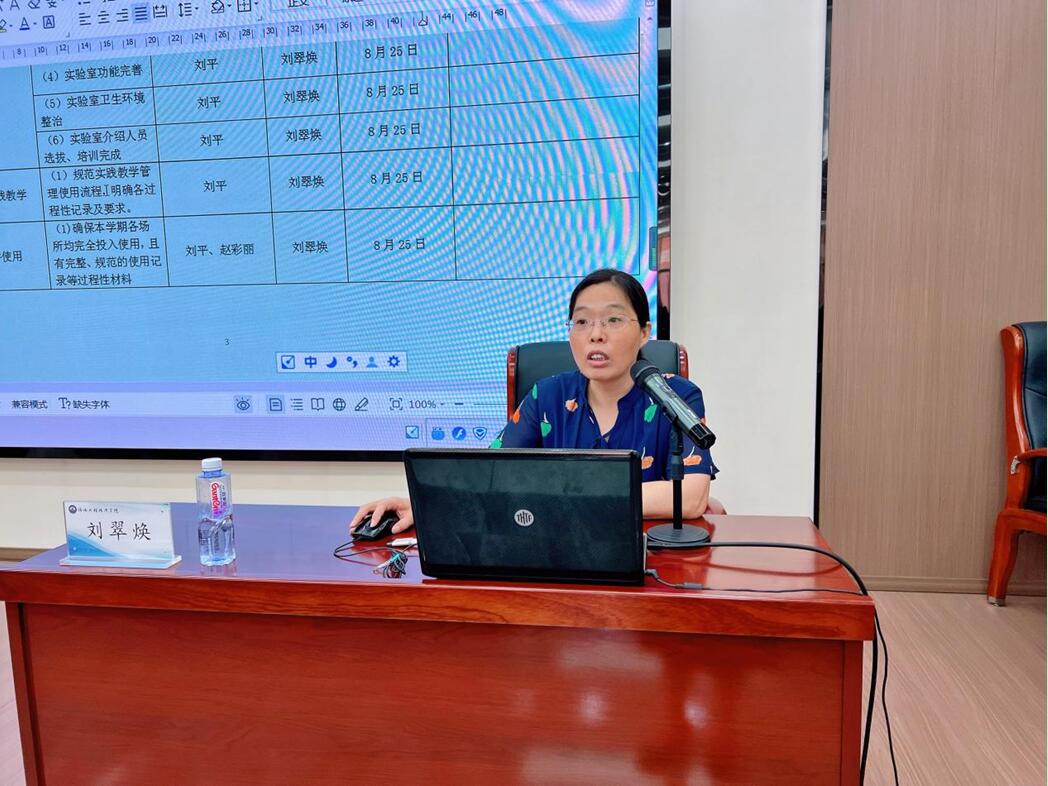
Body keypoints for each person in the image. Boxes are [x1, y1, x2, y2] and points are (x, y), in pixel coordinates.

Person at [349, 268, 718, 536]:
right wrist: (424, 504)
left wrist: (553, 493)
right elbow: (490, 475)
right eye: (582, 322)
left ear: (644, 333)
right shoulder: (548, 395)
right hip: (553, 550)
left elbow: (689, 498)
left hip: (645, 560)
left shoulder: (677, 396)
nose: (596, 335)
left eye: (613, 320)